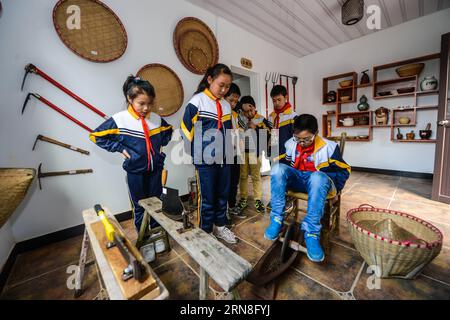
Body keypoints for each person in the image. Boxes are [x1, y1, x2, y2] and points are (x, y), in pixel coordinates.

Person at [89, 75, 173, 258]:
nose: (146, 108)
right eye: (141, 103)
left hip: (156, 170)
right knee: (140, 207)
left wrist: (159, 146)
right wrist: (119, 147)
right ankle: (145, 241)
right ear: (130, 99)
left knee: (157, 202)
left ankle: (157, 235)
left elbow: (169, 131)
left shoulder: (157, 120)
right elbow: (96, 136)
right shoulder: (120, 120)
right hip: (135, 173)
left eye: (149, 104)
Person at [264, 114, 350, 263]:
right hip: (297, 179)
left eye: (306, 139)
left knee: (318, 177)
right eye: (298, 139)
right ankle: (277, 218)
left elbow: (343, 171)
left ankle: (311, 232)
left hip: (316, 183)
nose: (302, 143)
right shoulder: (291, 143)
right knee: (277, 168)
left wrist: (336, 189)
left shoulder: (329, 147)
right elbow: (286, 164)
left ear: (315, 133)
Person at [180, 64, 238, 244]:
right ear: (210, 79)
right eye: (221, 85)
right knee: (207, 197)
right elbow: (185, 130)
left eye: (227, 86)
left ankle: (220, 226)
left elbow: (229, 131)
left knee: (223, 193)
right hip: (205, 159)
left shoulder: (227, 106)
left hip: (225, 158)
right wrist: (195, 155)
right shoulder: (197, 102)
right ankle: (206, 231)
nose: (224, 89)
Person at [236, 96, 271, 215]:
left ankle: (258, 199)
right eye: (245, 111)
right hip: (242, 152)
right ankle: (243, 198)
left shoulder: (261, 119)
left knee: (256, 176)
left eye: (250, 110)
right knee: (243, 176)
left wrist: (256, 128)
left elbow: (269, 133)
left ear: (254, 107)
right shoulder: (239, 118)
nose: (249, 113)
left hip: (255, 152)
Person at [224, 83, 242, 225]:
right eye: (231, 100)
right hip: (224, 153)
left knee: (234, 181)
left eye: (236, 101)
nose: (234, 104)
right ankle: (224, 210)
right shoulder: (222, 114)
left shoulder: (236, 115)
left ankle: (232, 205)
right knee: (226, 182)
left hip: (236, 153)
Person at [268, 85, 296, 165]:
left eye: (279, 100)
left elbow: (296, 140)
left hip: (287, 156)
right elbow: (269, 136)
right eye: (274, 100)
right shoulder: (271, 116)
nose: (276, 103)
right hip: (273, 155)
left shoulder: (293, 116)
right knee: (274, 176)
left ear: (286, 97)